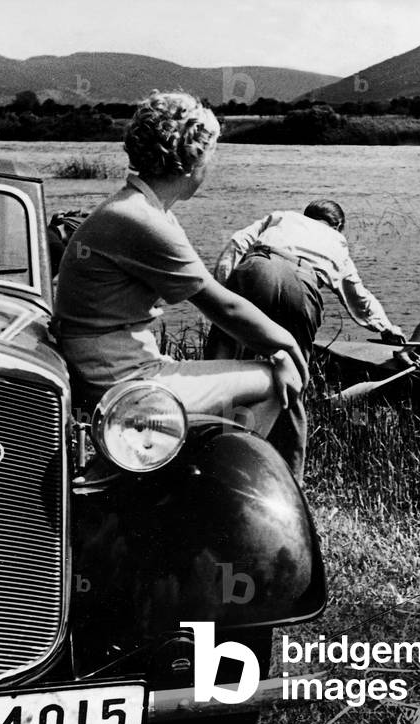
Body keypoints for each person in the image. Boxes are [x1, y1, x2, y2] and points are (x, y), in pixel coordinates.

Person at [53, 91, 309, 478]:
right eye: (210, 156)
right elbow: (223, 306)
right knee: (273, 380)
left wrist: (275, 348)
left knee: (265, 370)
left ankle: (193, 469)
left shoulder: (141, 209)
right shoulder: (141, 218)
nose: (211, 166)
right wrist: (286, 346)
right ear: (191, 160)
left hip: (115, 366)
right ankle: (228, 478)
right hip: (121, 381)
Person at [205, 199, 405, 364]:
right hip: (302, 284)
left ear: (307, 215)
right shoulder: (337, 241)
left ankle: (211, 395)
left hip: (260, 266)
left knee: (225, 347)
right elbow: (358, 297)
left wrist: (221, 291)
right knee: (294, 364)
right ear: (338, 226)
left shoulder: (283, 217)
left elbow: (238, 242)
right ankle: (288, 398)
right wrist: (386, 328)